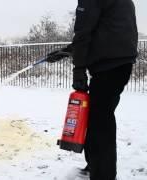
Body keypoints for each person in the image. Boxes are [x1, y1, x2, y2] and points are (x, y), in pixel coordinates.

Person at [46, 0, 138, 179]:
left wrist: (78, 69)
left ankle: (103, 174)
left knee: (100, 123)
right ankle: (96, 165)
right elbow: (105, 31)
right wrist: (67, 51)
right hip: (122, 63)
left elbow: (83, 32)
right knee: (98, 119)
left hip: (107, 67)